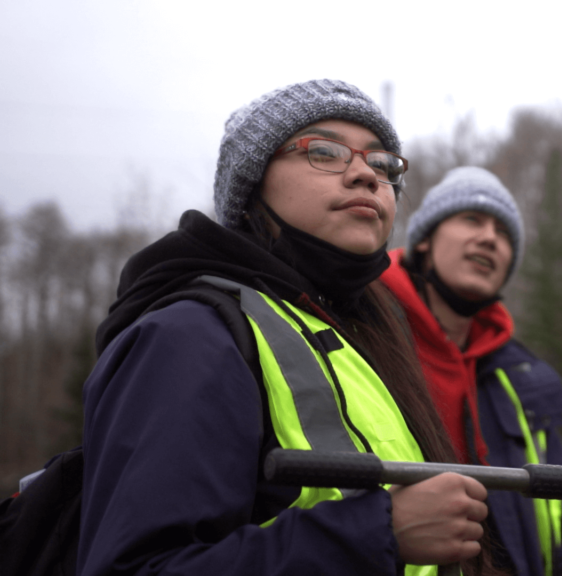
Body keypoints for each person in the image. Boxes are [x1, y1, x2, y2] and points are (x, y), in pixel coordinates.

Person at [78, 80, 502, 576]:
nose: (366, 174)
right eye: (325, 151)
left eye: (383, 164)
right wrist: (376, 533)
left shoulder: (364, 339)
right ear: (252, 182)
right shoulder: (188, 336)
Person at [380, 167, 562, 576]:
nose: (490, 238)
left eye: (504, 233)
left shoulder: (524, 377)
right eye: (472, 219)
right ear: (424, 239)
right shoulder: (358, 337)